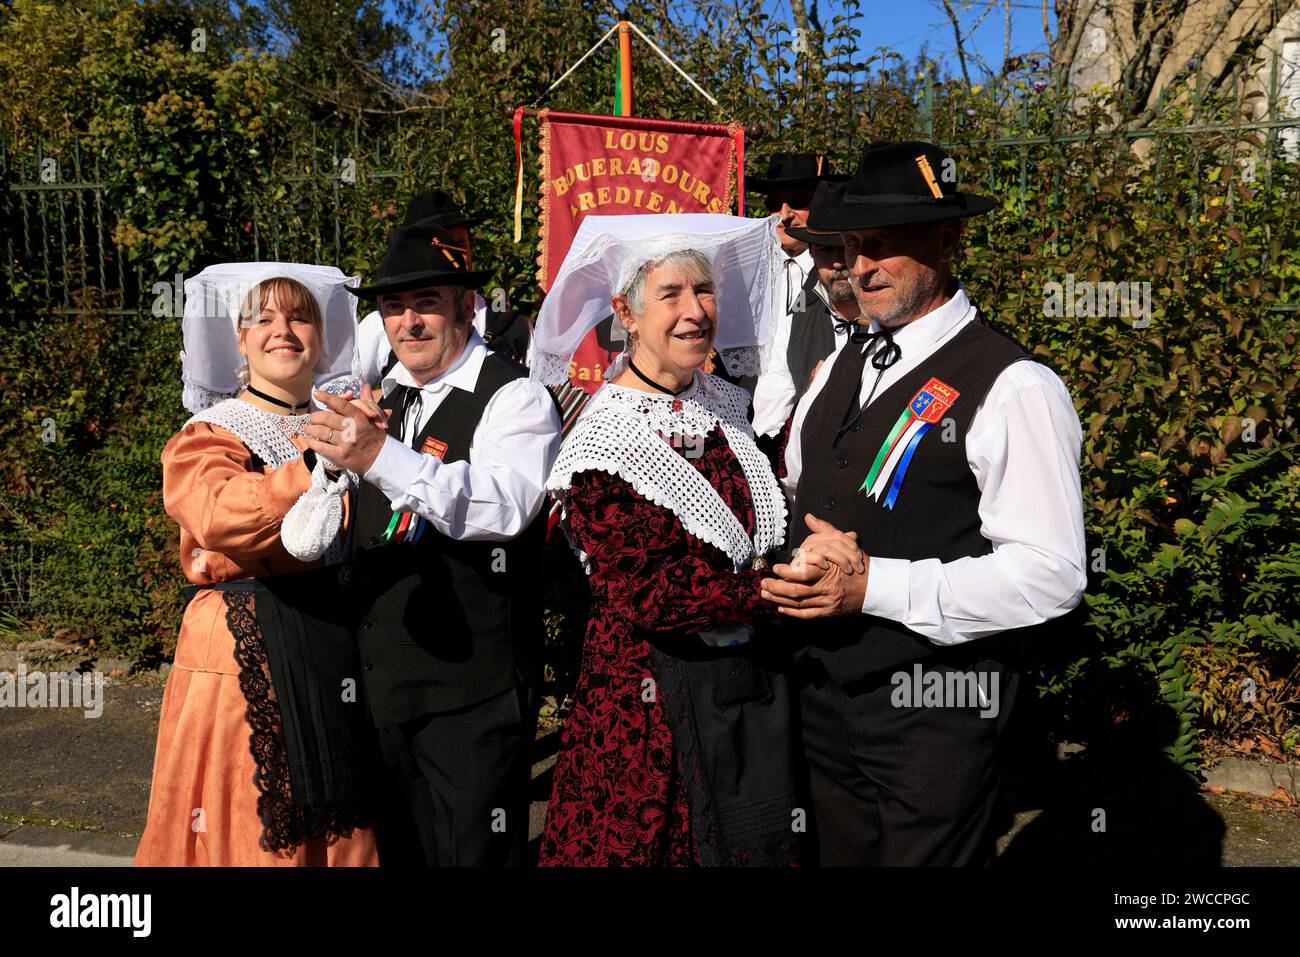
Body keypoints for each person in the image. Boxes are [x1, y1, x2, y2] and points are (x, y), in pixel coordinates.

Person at [760, 141, 1088, 865]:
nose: (861, 265)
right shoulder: (843, 358)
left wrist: (876, 583)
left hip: (935, 711)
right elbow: (800, 489)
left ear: (947, 239)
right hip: (824, 694)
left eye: (884, 246)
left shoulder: (1015, 385)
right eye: (850, 246)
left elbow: (1052, 573)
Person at [529, 214, 847, 866]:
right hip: (649, 705)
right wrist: (781, 583)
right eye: (670, 294)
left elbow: (764, 522)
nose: (694, 311)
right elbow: (657, 593)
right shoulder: (602, 441)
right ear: (628, 312)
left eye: (703, 291)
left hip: (746, 687)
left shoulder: (724, 402)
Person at [303, 223, 561, 867]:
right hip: (386, 680)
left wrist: (378, 455)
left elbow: (504, 508)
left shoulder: (516, 395)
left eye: (426, 304)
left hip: (473, 690)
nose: (408, 323)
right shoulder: (387, 396)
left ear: (467, 306)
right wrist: (336, 468)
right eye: (393, 308)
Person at [135, 264, 380, 867]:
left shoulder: (342, 423)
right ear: (239, 339)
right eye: (263, 318)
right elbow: (217, 513)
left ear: (322, 337)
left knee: (339, 817)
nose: (284, 330)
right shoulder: (215, 430)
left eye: (300, 317)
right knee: (255, 824)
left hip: (332, 641)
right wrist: (307, 470)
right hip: (246, 647)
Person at [353, 190, 531, 383]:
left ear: (467, 306)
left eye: (458, 245)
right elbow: (346, 391)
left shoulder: (514, 328)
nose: (450, 256)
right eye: (438, 247)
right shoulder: (378, 325)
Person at [745, 152, 847, 438]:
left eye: (800, 202)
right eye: (775, 204)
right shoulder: (745, 271)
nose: (785, 215)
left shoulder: (843, 276)